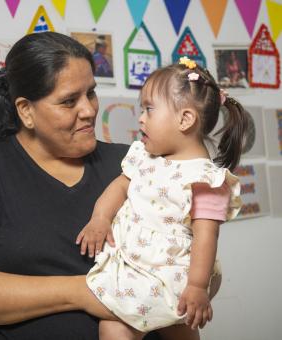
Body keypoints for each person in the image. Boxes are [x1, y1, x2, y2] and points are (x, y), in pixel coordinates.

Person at [0, 32, 160, 340]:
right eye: (69, 101)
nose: (88, 110)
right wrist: (85, 291)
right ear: (26, 111)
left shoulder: (131, 164)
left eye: (91, 93)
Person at [76, 56, 248, 339]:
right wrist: (100, 218)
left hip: (176, 274)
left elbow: (206, 236)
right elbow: (119, 187)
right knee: (122, 325)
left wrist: (196, 286)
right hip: (134, 262)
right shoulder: (144, 157)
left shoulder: (208, 180)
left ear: (185, 119)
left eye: (149, 109)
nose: (141, 118)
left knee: (138, 326)